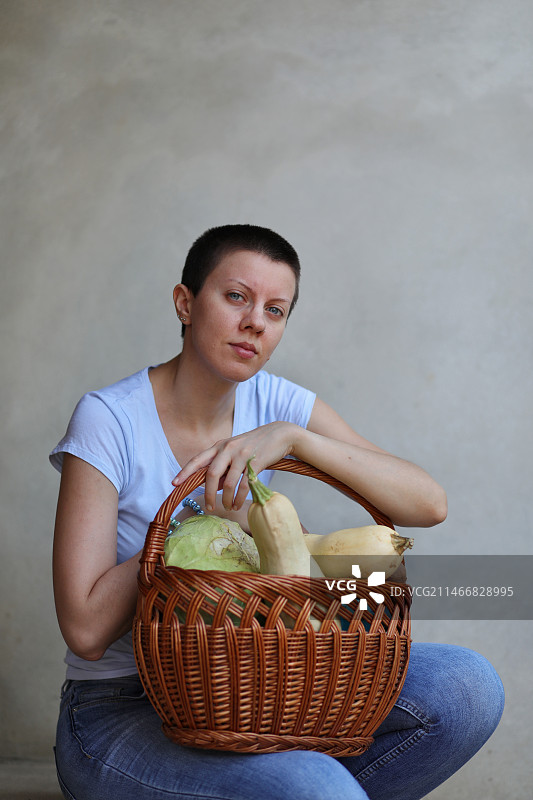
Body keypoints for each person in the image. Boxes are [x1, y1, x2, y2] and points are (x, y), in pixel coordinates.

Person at [50, 224, 504, 800]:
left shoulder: (279, 402)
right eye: (236, 297)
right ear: (185, 303)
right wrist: (200, 524)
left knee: (467, 688)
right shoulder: (109, 419)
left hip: (261, 685)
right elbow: (85, 630)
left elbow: (427, 504)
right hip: (122, 711)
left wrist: (296, 438)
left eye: (276, 309)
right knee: (317, 788)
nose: (255, 323)